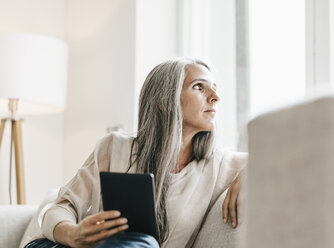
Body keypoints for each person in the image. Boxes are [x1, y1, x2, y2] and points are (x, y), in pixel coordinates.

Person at [24, 58, 247, 248]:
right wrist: (72, 233)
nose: (215, 96)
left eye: (215, 87)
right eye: (199, 87)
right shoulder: (113, 148)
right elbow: (63, 206)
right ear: (163, 101)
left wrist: (250, 171)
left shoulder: (220, 165)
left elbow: (277, 156)